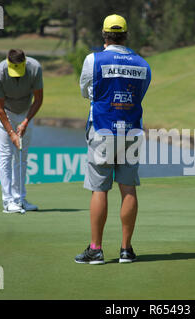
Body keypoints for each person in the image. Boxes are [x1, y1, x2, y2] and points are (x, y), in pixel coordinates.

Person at [75, 14, 151, 264]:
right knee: (128, 187)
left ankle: (95, 249)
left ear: (104, 34)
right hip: (131, 130)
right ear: (126, 34)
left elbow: (85, 91)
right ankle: (126, 250)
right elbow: (140, 94)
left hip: (102, 129)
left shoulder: (93, 59)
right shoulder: (142, 63)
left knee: (99, 188)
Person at [0, 49, 43, 213]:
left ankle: (19, 199)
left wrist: (25, 122)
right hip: (5, 113)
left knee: (22, 156)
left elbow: (39, 99)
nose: (16, 75)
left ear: (24, 62)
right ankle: (7, 201)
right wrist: (11, 132)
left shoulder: (34, 68)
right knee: (6, 153)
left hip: (26, 112)